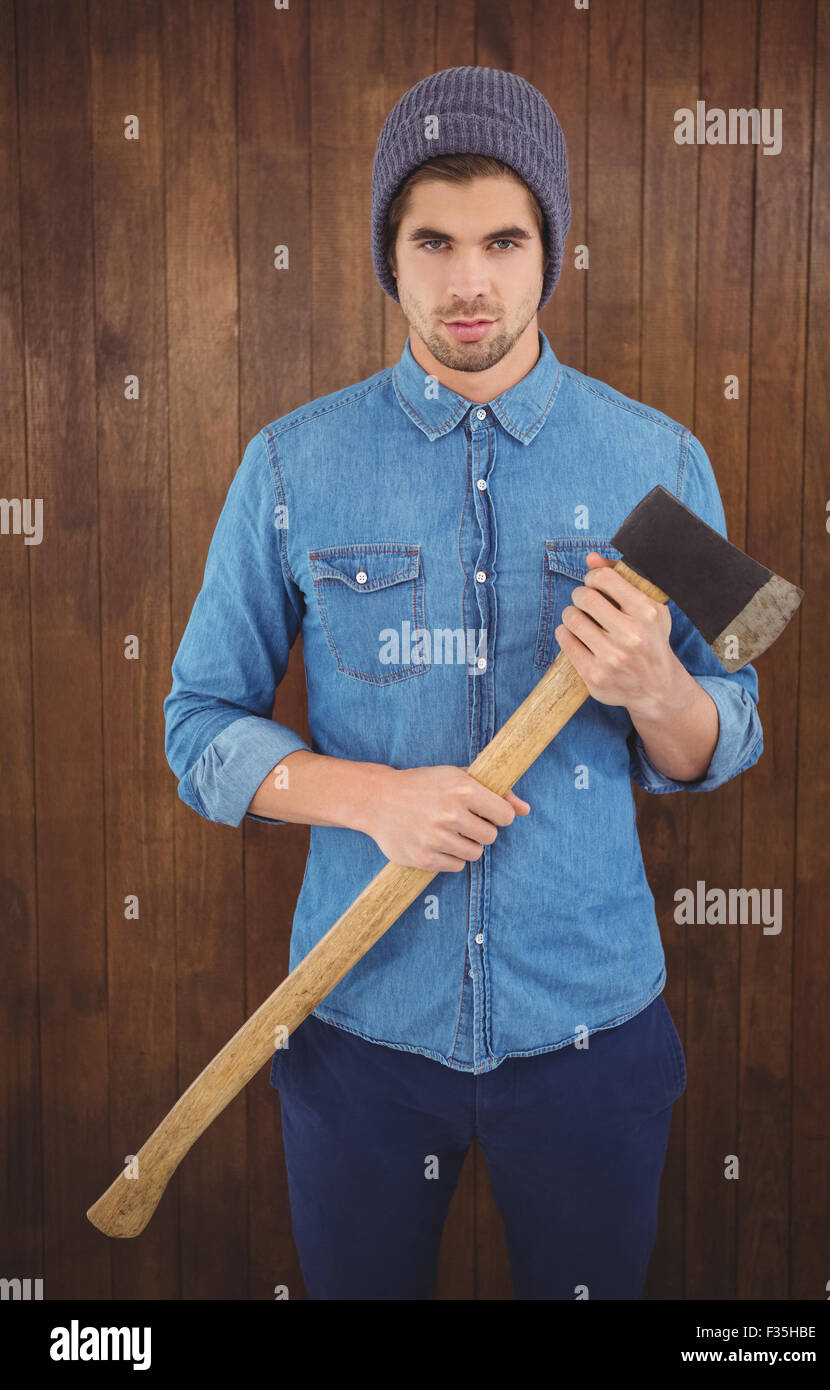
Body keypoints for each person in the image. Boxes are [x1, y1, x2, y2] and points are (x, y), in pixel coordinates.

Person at [164, 65, 763, 1300]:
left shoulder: (658, 460)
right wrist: (369, 797)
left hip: (592, 1031)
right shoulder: (290, 466)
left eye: (503, 237)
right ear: (390, 253)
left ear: (551, 246)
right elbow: (196, 727)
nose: (469, 280)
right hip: (359, 1032)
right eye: (431, 240)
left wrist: (654, 686)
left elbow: (726, 736)